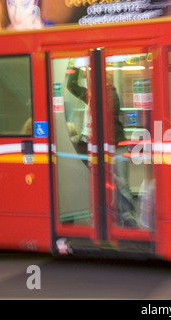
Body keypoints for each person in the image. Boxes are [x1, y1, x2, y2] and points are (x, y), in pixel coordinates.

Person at [67, 66, 138, 227]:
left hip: (114, 146)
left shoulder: (110, 93)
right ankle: (106, 215)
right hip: (96, 147)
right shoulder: (91, 95)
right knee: (102, 182)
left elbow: (106, 109)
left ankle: (127, 217)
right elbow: (71, 86)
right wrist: (74, 68)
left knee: (122, 183)